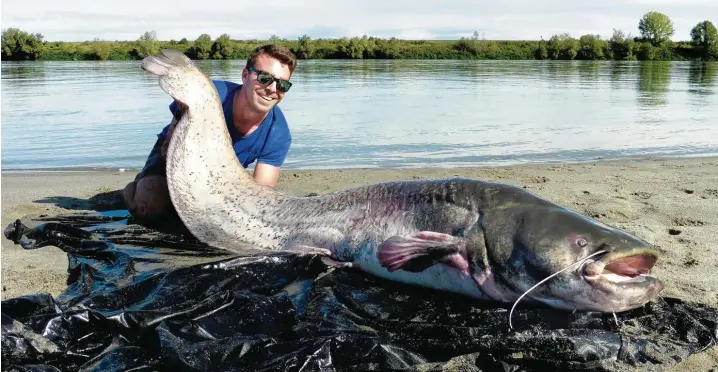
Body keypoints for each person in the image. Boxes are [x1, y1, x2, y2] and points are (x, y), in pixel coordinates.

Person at [122, 44, 297, 220]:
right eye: (264, 78)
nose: (273, 89)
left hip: (222, 179)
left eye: (282, 84)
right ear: (245, 75)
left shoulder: (278, 133)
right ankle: (139, 185)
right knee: (151, 207)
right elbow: (167, 152)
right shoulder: (209, 95)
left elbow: (263, 190)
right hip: (174, 160)